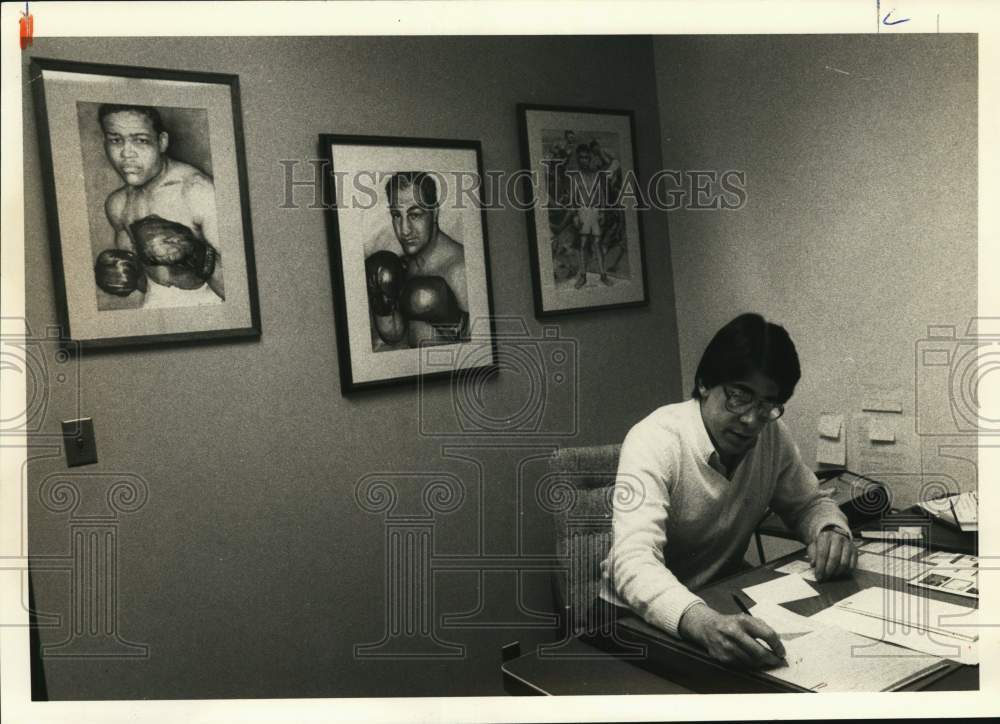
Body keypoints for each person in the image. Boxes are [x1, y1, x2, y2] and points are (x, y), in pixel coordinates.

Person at [600, 313, 857, 669]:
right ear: (705, 383)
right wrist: (701, 621)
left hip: (720, 600)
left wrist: (829, 530)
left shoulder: (771, 434)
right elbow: (632, 561)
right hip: (637, 620)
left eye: (766, 405)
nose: (751, 419)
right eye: (738, 397)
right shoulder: (655, 440)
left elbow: (808, 503)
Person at [93, 104, 224, 308]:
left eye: (140, 140)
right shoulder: (118, 204)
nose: (127, 153)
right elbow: (147, 282)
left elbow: (241, 293)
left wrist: (195, 254)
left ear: (161, 142)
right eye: (116, 140)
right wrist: (123, 275)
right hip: (155, 302)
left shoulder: (197, 191)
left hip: (211, 302)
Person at [364, 171, 469, 349]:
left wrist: (457, 323)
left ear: (434, 213)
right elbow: (395, 335)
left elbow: (486, 351)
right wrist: (382, 306)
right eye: (397, 215)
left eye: (415, 215)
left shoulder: (460, 270)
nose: (404, 230)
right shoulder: (402, 266)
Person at [569, 144, 614, 288]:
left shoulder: (596, 176)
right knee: (583, 243)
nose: (584, 160)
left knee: (597, 243)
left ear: (590, 158)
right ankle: (583, 276)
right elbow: (572, 199)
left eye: (586, 157)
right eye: (581, 157)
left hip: (595, 211)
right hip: (582, 211)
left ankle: (603, 275)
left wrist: (603, 212)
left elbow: (601, 196)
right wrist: (575, 216)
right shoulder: (576, 178)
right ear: (578, 159)